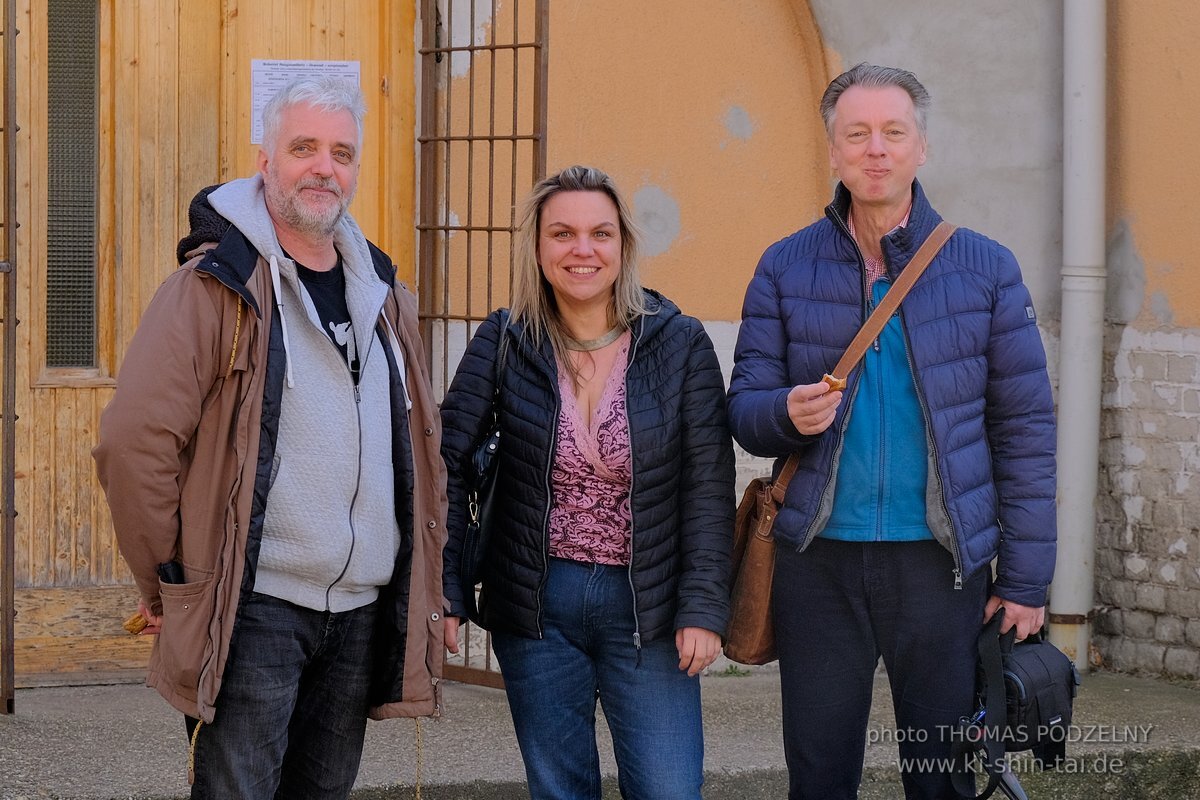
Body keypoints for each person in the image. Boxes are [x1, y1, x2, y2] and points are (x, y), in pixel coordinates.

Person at [93, 76, 448, 800]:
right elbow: (133, 444)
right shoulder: (212, 286)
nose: (325, 166)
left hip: (358, 611)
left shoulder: (383, 293)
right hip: (254, 609)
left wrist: (429, 589)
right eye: (305, 147)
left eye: (342, 152)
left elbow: (421, 450)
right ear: (266, 160)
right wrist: (166, 579)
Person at [727, 63, 1057, 800]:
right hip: (817, 566)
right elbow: (744, 408)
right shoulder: (783, 266)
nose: (876, 148)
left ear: (921, 148)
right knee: (818, 775)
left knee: (941, 779)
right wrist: (786, 411)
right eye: (857, 134)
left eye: (893, 132)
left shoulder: (985, 269)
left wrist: (1028, 579)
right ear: (834, 151)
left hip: (940, 565)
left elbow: (1026, 431)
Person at [439, 165, 735, 800]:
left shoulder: (679, 344)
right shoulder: (504, 340)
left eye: (600, 233)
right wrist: (447, 590)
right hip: (537, 603)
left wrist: (704, 608)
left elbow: (708, 487)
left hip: (648, 606)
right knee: (560, 789)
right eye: (563, 233)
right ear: (538, 248)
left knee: (669, 789)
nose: (582, 250)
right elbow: (446, 464)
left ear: (623, 246)